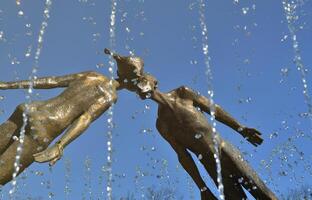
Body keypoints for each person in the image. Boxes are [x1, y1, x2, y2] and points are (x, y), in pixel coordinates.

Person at [0, 49, 143, 185]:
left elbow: (52, 81)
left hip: (29, 108)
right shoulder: (110, 95)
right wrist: (60, 145)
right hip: (45, 126)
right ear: (131, 82)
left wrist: (6, 85)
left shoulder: (92, 75)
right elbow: (86, 118)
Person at [131, 73, 277, 200]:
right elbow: (183, 156)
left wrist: (240, 128)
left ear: (153, 82)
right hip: (210, 164)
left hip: (224, 150)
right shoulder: (162, 124)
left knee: (263, 193)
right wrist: (202, 187)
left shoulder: (183, 93)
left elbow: (214, 110)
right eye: (136, 84)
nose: (139, 85)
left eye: (142, 80)